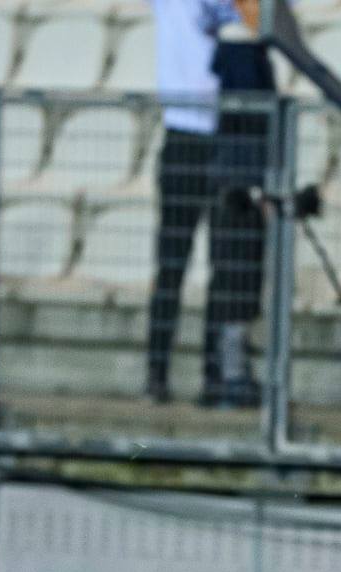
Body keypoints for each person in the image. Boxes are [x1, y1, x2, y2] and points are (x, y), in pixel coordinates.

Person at [147, 0, 272, 409]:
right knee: (172, 264)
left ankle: (214, 376)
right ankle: (157, 373)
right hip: (184, 136)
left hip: (229, 136)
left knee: (226, 266)